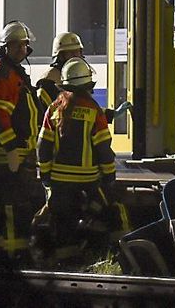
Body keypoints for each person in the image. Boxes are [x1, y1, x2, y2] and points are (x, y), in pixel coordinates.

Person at [36, 57, 118, 262]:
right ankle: (99, 255)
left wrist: (45, 175)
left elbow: (43, 147)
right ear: (88, 85)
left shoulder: (54, 109)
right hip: (89, 183)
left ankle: (66, 267)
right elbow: (103, 148)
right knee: (104, 212)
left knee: (63, 227)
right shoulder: (94, 111)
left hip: (60, 183)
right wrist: (109, 176)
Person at [0, 20, 41, 265]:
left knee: (14, 206)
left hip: (13, 155)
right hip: (3, 158)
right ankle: (12, 258)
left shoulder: (15, 74)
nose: (22, 50)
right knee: (10, 207)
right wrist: (12, 148)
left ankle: (5, 256)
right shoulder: (3, 74)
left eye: (24, 46)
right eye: (16, 46)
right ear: (6, 47)